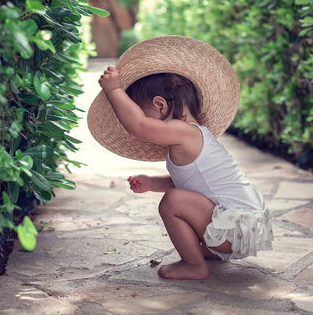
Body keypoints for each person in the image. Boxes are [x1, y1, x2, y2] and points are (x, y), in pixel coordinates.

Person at [96, 64, 273, 280]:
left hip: (235, 226)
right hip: (246, 227)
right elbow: (190, 184)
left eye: (142, 111)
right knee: (179, 196)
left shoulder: (184, 132)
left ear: (159, 105)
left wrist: (114, 90)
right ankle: (209, 251)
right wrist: (152, 183)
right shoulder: (199, 135)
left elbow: (139, 126)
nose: (142, 118)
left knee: (172, 202)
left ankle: (194, 266)